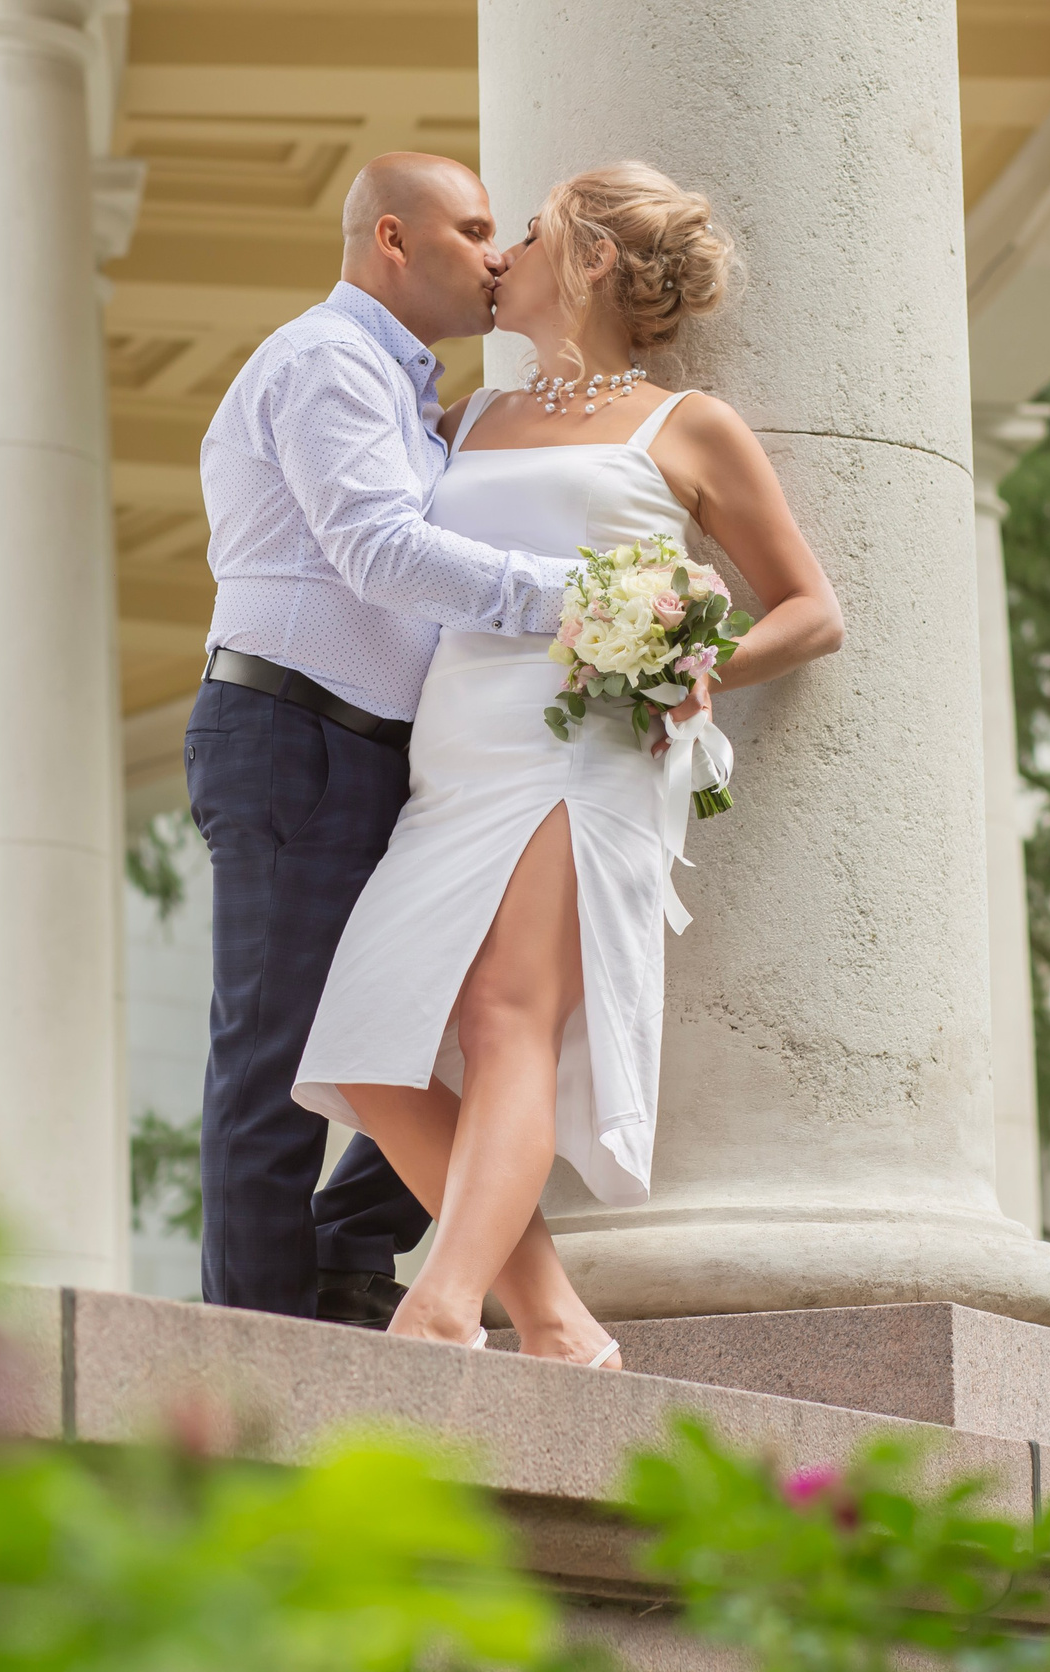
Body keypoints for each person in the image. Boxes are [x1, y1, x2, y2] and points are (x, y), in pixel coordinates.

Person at [293, 162, 844, 1365]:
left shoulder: (685, 426)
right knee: (360, 1052)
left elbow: (810, 609)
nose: (501, 258)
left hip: (591, 747)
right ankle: (554, 1320)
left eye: (528, 234)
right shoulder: (470, 418)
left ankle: (441, 1308)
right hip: (457, 751)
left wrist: (703, 666)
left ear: (589, 258)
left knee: (506, 1019)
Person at [188, 153, 586, 1323]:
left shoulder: (414, 402)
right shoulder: (327, 362)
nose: (499, 255)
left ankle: (346, 1244)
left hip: (383, 758)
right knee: (271, 1066)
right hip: (293, 737)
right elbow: (378, 552)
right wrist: (584, 598)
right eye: (473, 231)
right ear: (394, 242)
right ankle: (256, 1353)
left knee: (450, 1030)